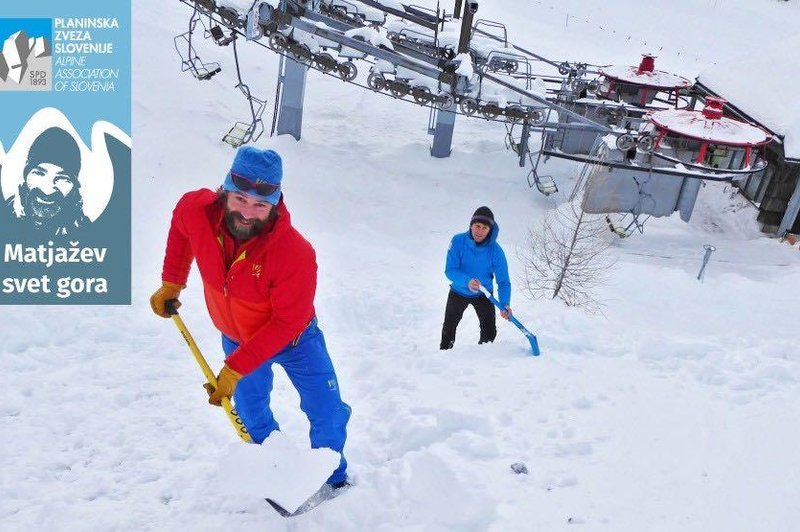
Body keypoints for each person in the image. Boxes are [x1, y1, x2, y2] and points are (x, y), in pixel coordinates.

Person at [149, 146, 351, 488]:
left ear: (275, 205)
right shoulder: (195, 209)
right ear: (225, 191)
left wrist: (235, 367)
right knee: (250, 411)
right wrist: (172, 281)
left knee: (328, 412)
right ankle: (273, 465)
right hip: (237, 337)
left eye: (261, 205)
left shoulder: (294, 253)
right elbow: (181, 229)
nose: (248, 213)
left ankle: (331, 478)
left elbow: (287, 323)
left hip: (295, 340)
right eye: (241, 199)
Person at [440, 206, 512, 350]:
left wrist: (505, 304)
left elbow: (503, 282)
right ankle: (444, 355)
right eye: (477, 226)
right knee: (449, 328)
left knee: (489, 334)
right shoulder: (458, 241)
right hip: (458, 291)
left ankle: (482, 359)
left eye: (484, 228)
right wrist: (467, 281)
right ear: (471, 225)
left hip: (484, 294)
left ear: (490, 230)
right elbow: (450, 270)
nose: (479, 231)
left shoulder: (496, 251)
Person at [2, 127, 90, 238]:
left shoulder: (87, 232)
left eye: (62, 178)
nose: (48, 189)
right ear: (26, 176)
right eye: (39, 173)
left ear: (73, 186)